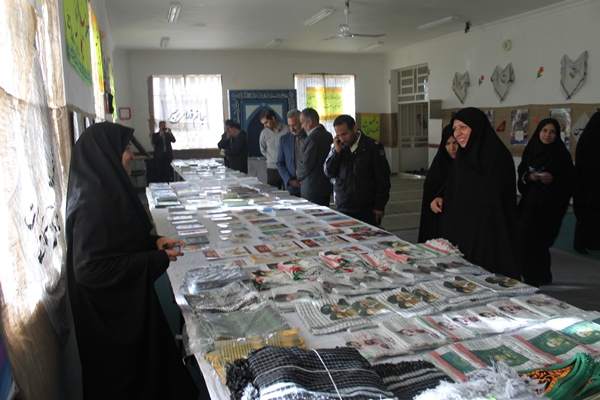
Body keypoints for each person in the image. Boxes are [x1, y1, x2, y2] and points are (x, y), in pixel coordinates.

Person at [65, 122, 200, 400]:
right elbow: (90, 270)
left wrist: (152, 243)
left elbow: (116, 243)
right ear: (107, 154)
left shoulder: (103, 191)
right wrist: (152, 261)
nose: (132, 155)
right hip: (113, 326)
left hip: (124, 313)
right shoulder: (93, 205)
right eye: (126, 149)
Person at [431, 107, 520, 279]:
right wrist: (441, 197)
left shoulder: (497, 157)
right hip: (462, 232)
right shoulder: (463, 157)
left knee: (487, 277)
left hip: (488, 234)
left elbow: (495, 198)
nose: (457, 133)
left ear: (477, 127)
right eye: (455, 128)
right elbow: (455, 185)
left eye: (463, 127)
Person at [516, 118, 576, 286]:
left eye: (552, 132)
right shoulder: (531, 150)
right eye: (544, 130)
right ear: (538, 132)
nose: (547, 135)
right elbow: (522, 172)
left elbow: (571, 182)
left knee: (540, 242)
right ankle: (530, 275)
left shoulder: (561, 155)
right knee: (525, 239)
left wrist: (553, 180)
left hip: (550, 207)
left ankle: (541, 275)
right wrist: (529, 177)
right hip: (530, 205)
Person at [324, 114, 391, 226]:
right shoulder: (338, 147)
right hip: (343, 206)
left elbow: (382, 179)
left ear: (354, 129)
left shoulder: (372, 147)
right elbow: (328, 172)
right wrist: (336, 153)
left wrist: (380, 206)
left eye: (344, 134)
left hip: (366, 209)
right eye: (338, 135)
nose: (342, 139)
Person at [418, 124, 457, 242]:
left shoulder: (464, 167)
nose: (451, 148)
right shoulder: (438, 165)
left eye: (455, 143)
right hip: (434, 221)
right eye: (447, 143)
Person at [573, 111, 600, 254]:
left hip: (593, 185)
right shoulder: (588, 142)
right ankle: (580, 244)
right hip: (587, 185)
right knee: (586, 215)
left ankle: (594, 242)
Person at [297, 108, 333, 206]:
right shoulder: (328, 135)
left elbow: (307, 164)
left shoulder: (312, 139)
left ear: (309, 121)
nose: (302, 126)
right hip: (325, 186)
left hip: (311, 187)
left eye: (302, 123)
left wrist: (299, 174)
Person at [276, 109, 307, 197]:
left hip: (308, 185)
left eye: (294, 125)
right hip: (291, 187)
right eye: (290, 126)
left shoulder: (310, 138)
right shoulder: (284, 140)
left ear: (301, 122)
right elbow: (280, 163)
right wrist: (289, 180)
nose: (292, 129)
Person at [259, 108, 290, 188]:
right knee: (272, 192)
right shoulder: (264, 133)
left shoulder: (287, 130)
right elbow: (263, 149)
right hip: (272, 168)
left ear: (273, 118)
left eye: (266, 122)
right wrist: (272, 157)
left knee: (288, 192)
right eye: (263, 123)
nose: (265, 126)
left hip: (286, 167)